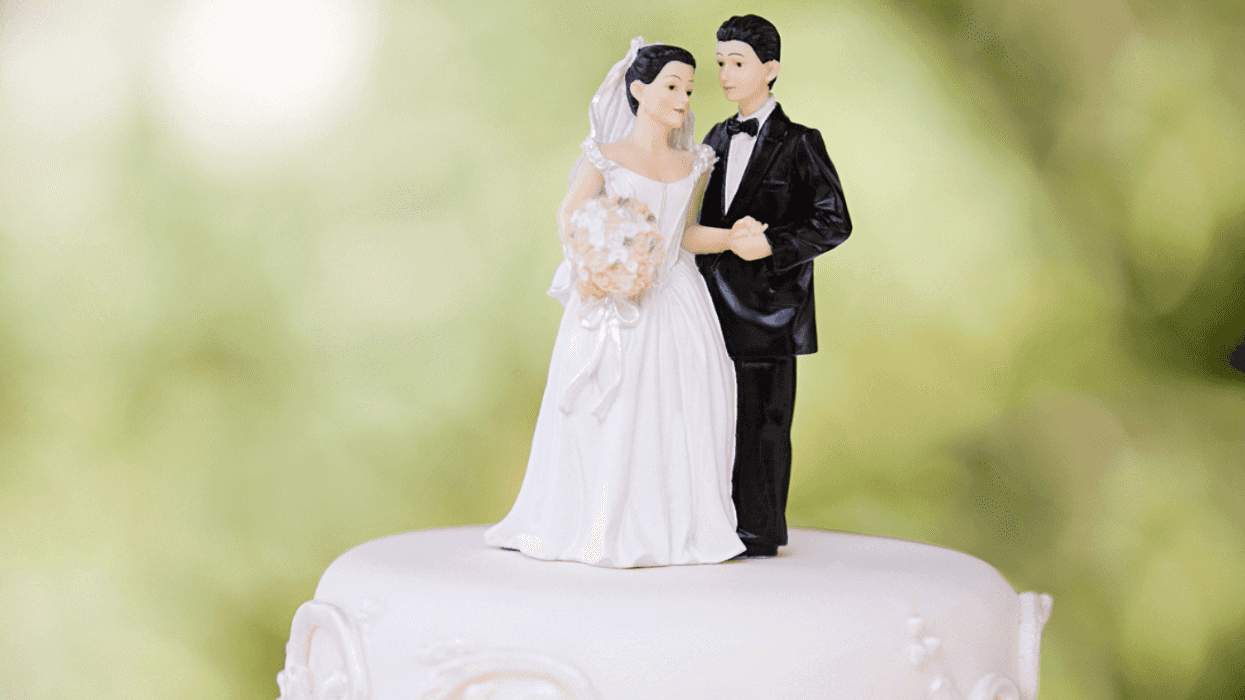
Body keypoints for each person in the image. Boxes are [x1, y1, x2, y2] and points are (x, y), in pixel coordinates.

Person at [485, 38, 766, 567]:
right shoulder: (605, 157)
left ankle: (671, 522)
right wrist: (598, 264)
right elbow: (571, 214)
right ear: (639, 89)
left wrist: (729, 238)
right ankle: (596, 517)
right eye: (671, 85)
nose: (683, 97)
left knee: (678, 404)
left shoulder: (694, 161)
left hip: (675, 298)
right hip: (613, 296)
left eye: (688, 87)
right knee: (610, 404)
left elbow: (682, 234)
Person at [696, 15, 853, 558]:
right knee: (713, 419)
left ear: (770, 69)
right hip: (710, 306)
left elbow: (834, 222)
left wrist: (776, 246)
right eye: (720, 63)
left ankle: (759, 532)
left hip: (768, 312)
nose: (725, 74)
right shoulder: (716, 136)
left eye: (737, 63)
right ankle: (712, 522)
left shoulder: (800, 143)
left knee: (764, 423)